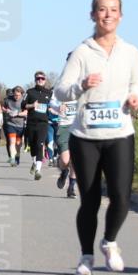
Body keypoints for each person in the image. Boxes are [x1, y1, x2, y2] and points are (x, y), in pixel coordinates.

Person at [54, 0, 138, 275]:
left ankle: (110, 241)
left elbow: (136, 82)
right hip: (86, 136)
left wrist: (134, 98)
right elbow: (61, 89)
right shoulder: (82, 52)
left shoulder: (130, 51)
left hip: (120, 133)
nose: (107, 15)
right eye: (102, 10)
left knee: (121, 197)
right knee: (89, 201)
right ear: (93, 15)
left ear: (121, 16)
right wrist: (81, 84)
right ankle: (87, 256)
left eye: (113, 10)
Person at [54, 55, 79, 198]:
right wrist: (58, 106)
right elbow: (52, 101)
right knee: (65, 160)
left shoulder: (86, 81)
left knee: (75, 159)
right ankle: (63, 171)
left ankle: (71, 187)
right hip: (64, 125)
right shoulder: (62, 81)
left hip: (79, 127)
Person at [23, 71, 54, 180]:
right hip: (31, 123)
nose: (40, 80)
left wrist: (55, 110)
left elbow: (52, 106)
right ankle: (34, 162)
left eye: (42, 78)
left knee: (40, 145)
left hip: (43, 123)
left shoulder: (49, 93)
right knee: (33, 147)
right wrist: (32, 105)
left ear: (45, 80)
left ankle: (38, 170)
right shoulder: (29, 92)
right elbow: (23, 105)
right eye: (38, 78)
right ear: (35, 80)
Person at [2, 86, 26, 166]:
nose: (16, 97)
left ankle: (17, 156)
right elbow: (2, 108)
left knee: (18, 144)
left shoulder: (24, 101)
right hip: (10, 124)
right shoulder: (8, 99)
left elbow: (27, 112)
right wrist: (7, 111)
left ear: (22, 94)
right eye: (15, 95)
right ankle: (12, 158)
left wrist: (18, 113)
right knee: (12, 142)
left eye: (18, 95)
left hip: (20, 125)